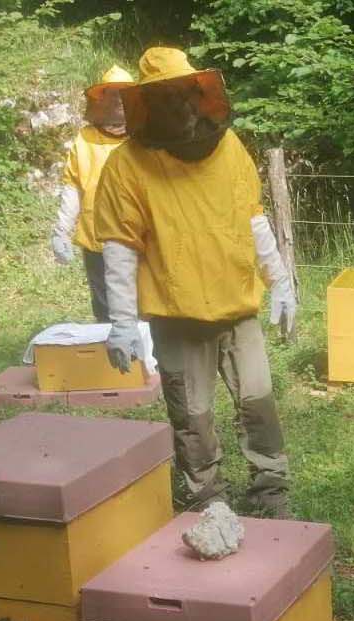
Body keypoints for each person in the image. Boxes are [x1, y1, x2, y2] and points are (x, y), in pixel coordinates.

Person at [94, 47, 297, 517]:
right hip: (177, 314)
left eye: (185, 94)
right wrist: (122, 321)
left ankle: (271, 490)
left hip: (238, 305)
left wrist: (280, 281)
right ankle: (207, 495)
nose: (180, 106)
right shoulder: (126, 165)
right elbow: (120, 245)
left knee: (258, 402)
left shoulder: (229, 148)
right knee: (193, 415)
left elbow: (252, 219)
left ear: (199, 93)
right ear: (147, 104)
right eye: (166, 98)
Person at [50, 64, 135, 323]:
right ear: (102, 100)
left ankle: (148, 363)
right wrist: (61, 232)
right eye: (112, 94)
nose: (118, 100)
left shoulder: (144, 137)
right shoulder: (84, 139)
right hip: (96, 238)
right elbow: (72, 187)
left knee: (144, 310)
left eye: (124, 94)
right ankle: (112, 362)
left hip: (139, 238)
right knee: (105, 312)